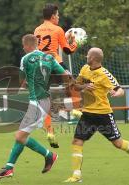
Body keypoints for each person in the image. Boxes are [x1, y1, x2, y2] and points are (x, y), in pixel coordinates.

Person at [64, 47, 129, 183]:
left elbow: (120, 90)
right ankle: (76, 175)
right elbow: (76, 86)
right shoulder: (84, 69)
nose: (86, 57)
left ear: (93, 58)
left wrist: (116, 93)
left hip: (103, 115)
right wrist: (84, 87)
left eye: (88, 55)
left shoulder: (105, 74)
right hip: (87, 113)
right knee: (77, 141)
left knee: (118, 143)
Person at [0, 34, 71, 179]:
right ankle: (9, 167)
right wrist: (72, 87)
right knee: (22, 135)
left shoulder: (25, 59)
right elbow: (65, 74)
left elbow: (21, 82)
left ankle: (49, 155)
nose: (23, 48)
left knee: (20, 136)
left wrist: (29, 83)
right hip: (44, 101)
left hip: (37, 103)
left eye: (23, 46)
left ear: (28, 46)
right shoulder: (49, 58)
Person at [34, 3, 78, 148]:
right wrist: (75, 42)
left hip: (40, 66)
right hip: (55, 63)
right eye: (58, 15)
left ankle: (50, 132)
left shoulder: (37, 30)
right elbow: (68, 51)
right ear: (53, 16)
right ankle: (75, 108)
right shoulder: (58, 29)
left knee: (45, 100)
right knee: (71, 81)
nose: (59, 18)